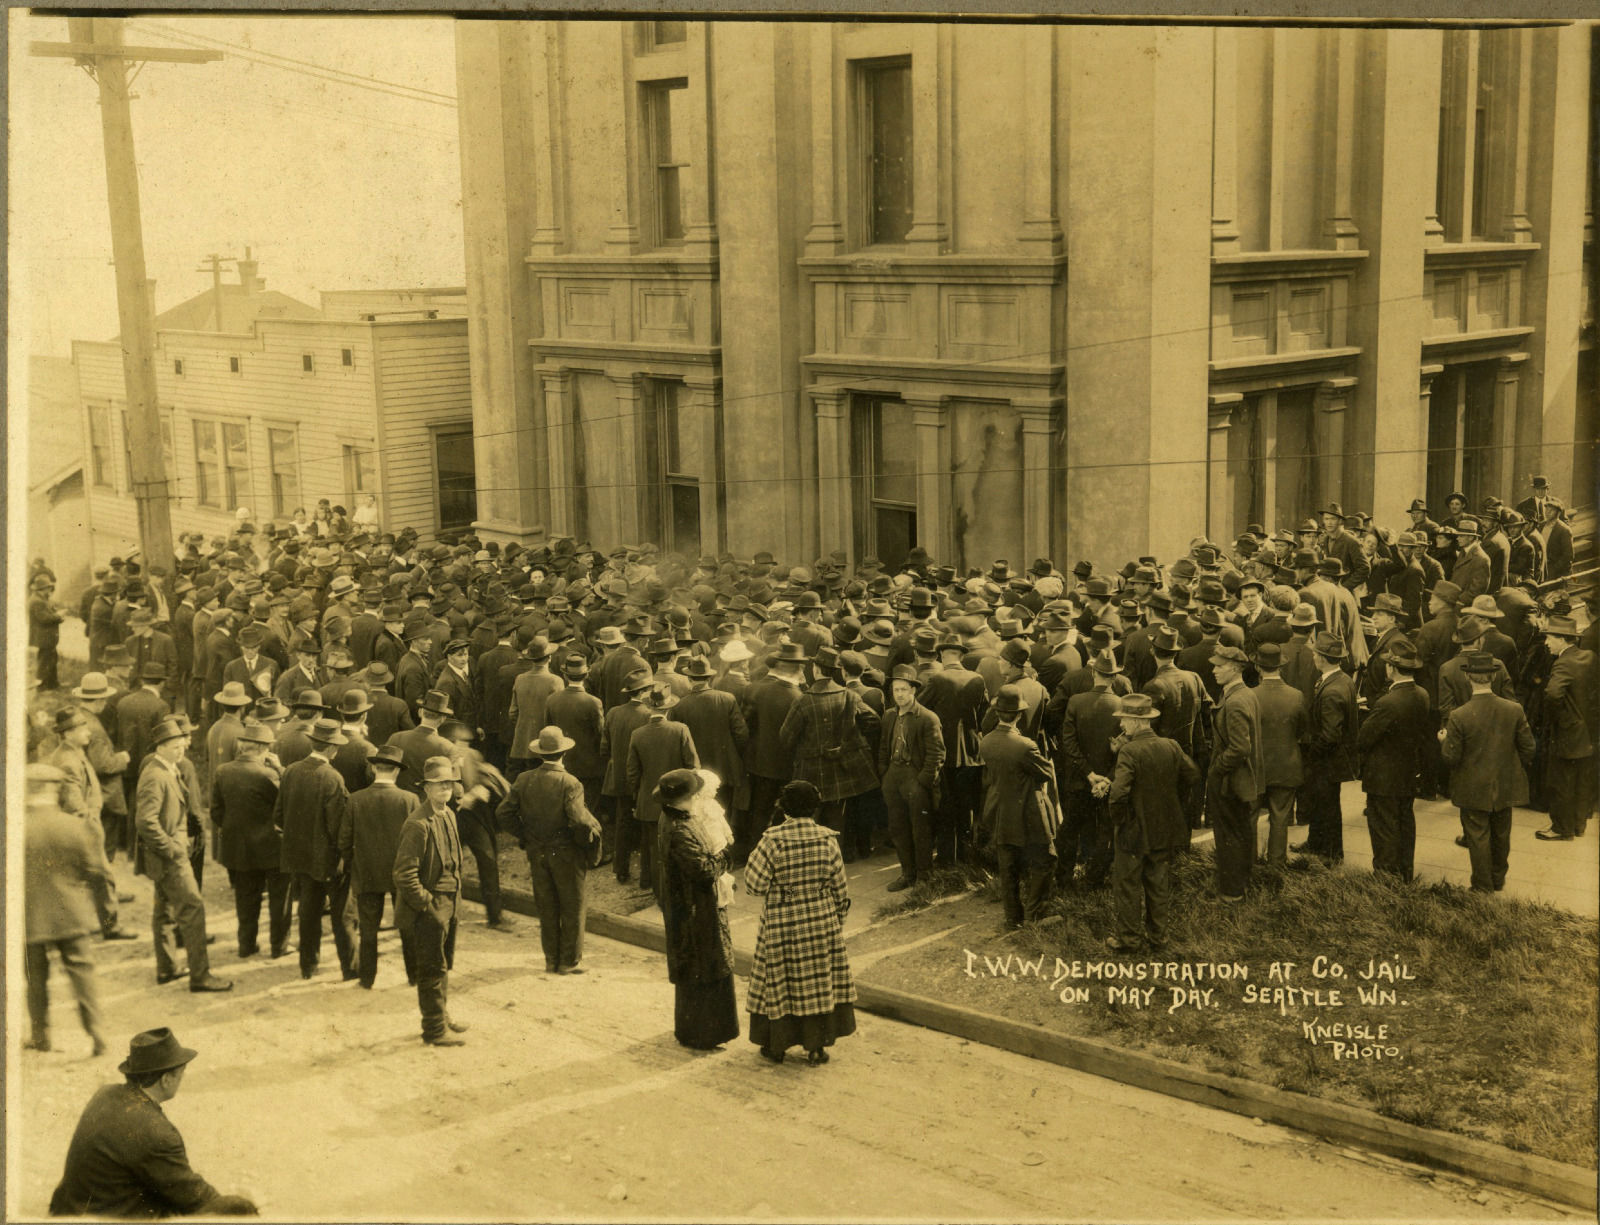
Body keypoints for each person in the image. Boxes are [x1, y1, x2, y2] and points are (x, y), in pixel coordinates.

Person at [49, 1028, 257, 1218]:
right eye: (180, 1074)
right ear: (166, 1079)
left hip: (69, 1208)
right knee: (240, 1209)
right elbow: (194, 1197)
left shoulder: (105, 1093)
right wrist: (235, 1203)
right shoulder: (157, 1133)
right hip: (106, 1217)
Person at [743, 780, 858, 1066]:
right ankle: (816, 1048)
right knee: (817, 982)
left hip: (782, 918)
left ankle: (777, 1046)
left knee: (780, 981)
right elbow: (841, 890)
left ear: (784, 809)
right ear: (815, 808)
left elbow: (754, 885)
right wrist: (836, 923)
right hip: (821, 918)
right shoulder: (828, 840)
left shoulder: (772, 840)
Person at [134, 718, 231, 992]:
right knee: (192, 908)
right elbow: (146, 822)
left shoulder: (166, 768)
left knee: (164, 911)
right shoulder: (155, 775)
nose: (181, 751)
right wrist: (173, 849)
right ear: (160, 747)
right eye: (175, 747)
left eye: (181, 746)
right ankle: (201, 976)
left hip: (165, 857)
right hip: (170, 858)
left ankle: (167, 968)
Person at [497, 726, 603, 974]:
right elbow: (579, 820)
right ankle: (569, 961)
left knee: (547, 906)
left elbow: (503, 813)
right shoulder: (570, 783)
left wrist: (525, 835)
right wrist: (586, 843)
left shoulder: (524, 780)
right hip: (566, 853)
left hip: (538, 851)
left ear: (540, 753)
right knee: (573, 906)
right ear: (563, 754)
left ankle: (550, 959)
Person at [24, 764, 108, 1057]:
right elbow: (95, 869)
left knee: (34, 979)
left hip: (29, 917)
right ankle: (98, 1037)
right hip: (71, 913)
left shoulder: (15, 827)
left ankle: (40, 1036)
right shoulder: (73, 826)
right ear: (52, 790)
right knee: (82, 975)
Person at [1106, 694, 1198, 952]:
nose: (1122, 725)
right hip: (1164, 826)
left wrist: (1119, 821)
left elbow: (1119, 794)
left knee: (1128, 884)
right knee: (1158, 883)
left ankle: (1129, 940)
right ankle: (1159, 938)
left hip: (1134, 830)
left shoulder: (1129, 751)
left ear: (1136, 722)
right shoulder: (1171, 745)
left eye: (1124, 720)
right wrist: (1171, 801)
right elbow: (1192, 775)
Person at [656, 767, 740, 1051]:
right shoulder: (679, 828)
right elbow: (703, 870)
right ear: (687, 797)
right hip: (694, 909)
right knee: (703, 967)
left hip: (691, 905)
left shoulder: (674, 817)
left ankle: (694, 1030)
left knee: (697, 968)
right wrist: (724, 859)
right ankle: (703, 1034)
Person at [1440, 652, 1536, 893]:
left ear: (1467, 678)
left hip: (1473, 786)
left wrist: (1443, 740)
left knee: (1477, 834)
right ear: (1493, 677)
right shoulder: (1514, 709)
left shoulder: (1458, 715)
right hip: (1506, 782)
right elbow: (1529, 748)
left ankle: (1482, 886)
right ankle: (1497, 879)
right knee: (1502, 833)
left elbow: (1450, 757)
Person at [393, 756, 471, 1046]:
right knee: (430, 968)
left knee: (443, 964)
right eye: (438, 785)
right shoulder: (418, 824)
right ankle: (434, 1029)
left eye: (449, 784)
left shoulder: (448, 814)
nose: (445, 789)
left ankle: (442, 1015)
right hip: (431, 907)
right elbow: (404, 872)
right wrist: (425, 903)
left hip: (450, 901)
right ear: (426, 788)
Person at [275, 717, 356, 981]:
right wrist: (345, 857)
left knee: (308, 912)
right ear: (332, 749)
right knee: (342, 914)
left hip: (300, 857)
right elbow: (338, 828)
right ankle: (350, 968)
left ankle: (307, 966)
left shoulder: (291, 771)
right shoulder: (332, 777)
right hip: (330, 860)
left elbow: (279, 816)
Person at [977, 685, 1061, 929]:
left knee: (1008, 864)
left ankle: (1012, 917)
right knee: (1045, 859)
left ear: (997, 712)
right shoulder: (1025, 745)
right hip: (1029, 811)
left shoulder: (987, 742)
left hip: (1001, 810)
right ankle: (1036, 913)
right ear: (1018, 715)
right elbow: (1045, 772)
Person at [210, 721, 291, 959]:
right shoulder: (267, 775)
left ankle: (246, 945)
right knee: (279, 900)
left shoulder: (223, 772)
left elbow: (216, 812)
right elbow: (286, 803)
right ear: (261, 748)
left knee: (245, 898)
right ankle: (279, 947)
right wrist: (281, 769)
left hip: (239, 847)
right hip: (272, 847)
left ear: (243, 746)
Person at [342, 745, 419, 988]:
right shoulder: (410, 800)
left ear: (374, 768)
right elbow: (419, 840)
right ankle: (413, 976)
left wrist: (354, 864)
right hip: (401, 873)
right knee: (408, 926)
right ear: (396, 771)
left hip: (366, 873)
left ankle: (367, 979)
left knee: (368, 928)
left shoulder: (355, 799)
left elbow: (344, 840)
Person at [1355, 638, 1432, 881]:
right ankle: (1404, 873)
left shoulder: (1388, 702)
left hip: (1383, 775)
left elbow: (1363, 739)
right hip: (1408, 770)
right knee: (1404, 822)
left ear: (1392, 668)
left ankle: (1385, 876)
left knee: (1383, 827)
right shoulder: (1422, 694)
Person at [1295, 632, 1358, 865]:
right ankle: (1315, 843)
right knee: (1322, 803)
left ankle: (1331, 853)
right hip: (1334, 759)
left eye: (1315, 653)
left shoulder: (1332, 690)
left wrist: (1312, 753)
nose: (1313, 657)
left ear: (1321, 658)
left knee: (1327, 806)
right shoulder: (1342, 679)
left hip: (1327, 760)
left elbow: (1331, 734)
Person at [1207, 645, 1263, 902]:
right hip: (1240, 778)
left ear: (1236, 668)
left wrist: (1217, 768)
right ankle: (1242, 883)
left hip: (1230, 780)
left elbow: (1240, 747)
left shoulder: (1237, 699)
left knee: (1229, 834)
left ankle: (1231, 892)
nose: (1214, 670)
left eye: (1220, 666)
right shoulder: (1242, 694)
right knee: (1240, 831)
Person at [1535, 615, 1597, 841]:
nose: (1546, 643)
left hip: (1567, 732)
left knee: (1560, 780)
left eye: (1550, 637)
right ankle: (1578, 826)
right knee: (1581, 781)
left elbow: (1552, 694)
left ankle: (1560, 828)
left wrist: (1557, 720)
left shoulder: (1562, 663)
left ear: (1563, 639)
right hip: (1588, 731)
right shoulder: (1589, 657)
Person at [1251, 642, 1305, 867]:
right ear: (1280, 667)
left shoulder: (1250, 695)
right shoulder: (1296, 696)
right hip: (1286, 765)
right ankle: (1276, 864)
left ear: (1257, 667)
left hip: (1255, 767)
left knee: (1250, 817)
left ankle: (1249, 862)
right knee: (1281, 817)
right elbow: (1302, 731)